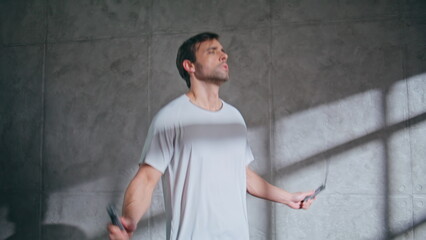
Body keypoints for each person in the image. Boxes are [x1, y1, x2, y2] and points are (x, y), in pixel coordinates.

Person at [108, 32, 315, 240]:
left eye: (223, 51)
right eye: (212, 51)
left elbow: (243, 175)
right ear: (190, 66)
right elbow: (146, 178)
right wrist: (129, 221)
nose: (224, 56)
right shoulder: (170, 117)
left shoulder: (234, 117)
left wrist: (289, 198)